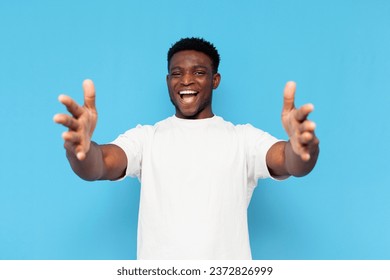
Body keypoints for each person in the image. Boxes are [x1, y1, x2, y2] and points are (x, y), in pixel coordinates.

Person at [54, 37, 319, 260]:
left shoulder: (243, 138)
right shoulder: (146, 138)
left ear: (215, 80)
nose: (186, 81)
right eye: (177, 73)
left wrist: (301, 148)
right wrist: (83, 151)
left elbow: (289, 160)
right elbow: (100, 164)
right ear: (168, 80)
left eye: (199, 73)